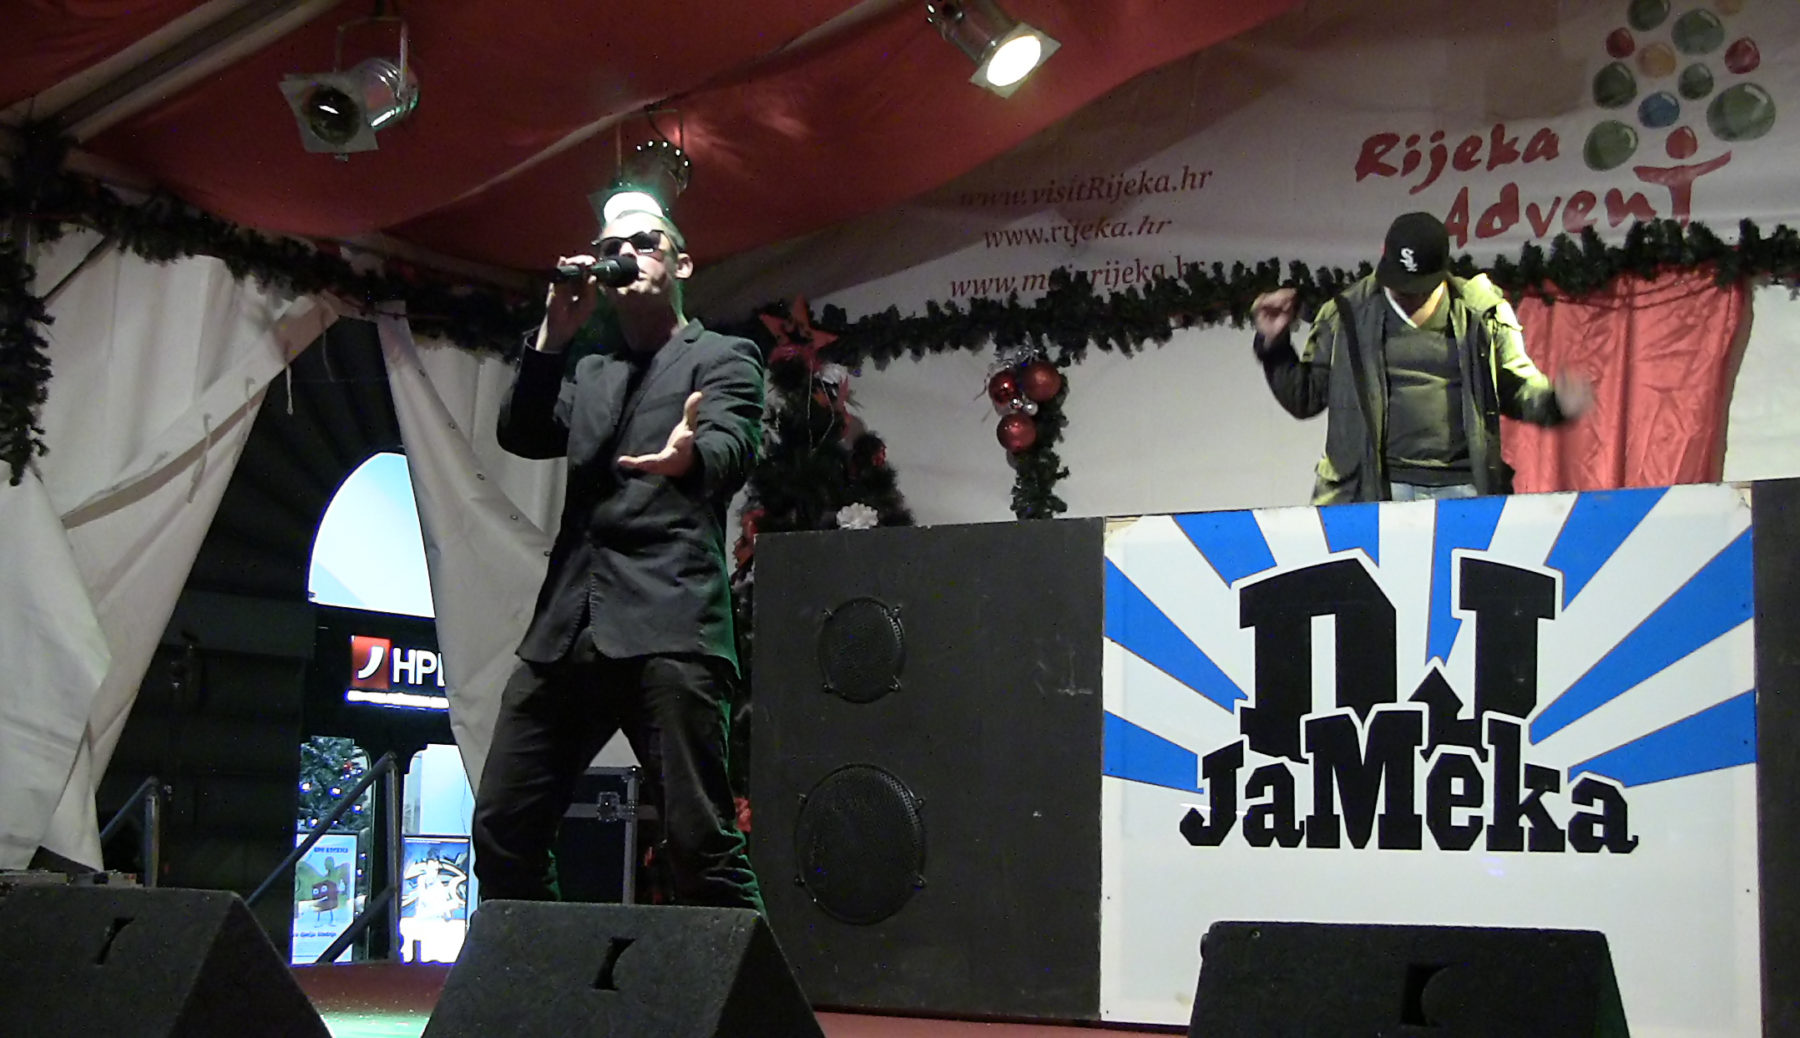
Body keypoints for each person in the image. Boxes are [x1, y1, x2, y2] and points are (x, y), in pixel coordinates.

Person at [471, 207, 765, 910]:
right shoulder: (593, 369)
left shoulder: (721, 356)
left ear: (681, 263)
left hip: (669, 625)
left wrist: (690, 456)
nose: (627, 252)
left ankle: (750, 983)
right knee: (505, 830)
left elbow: (731, 444)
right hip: (569, 626)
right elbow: (523, 431)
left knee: (700, 846)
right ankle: (539, 978)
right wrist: (554, 336)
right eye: (612, 244)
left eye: (644, 241)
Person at [1250, 211, 1594, 504]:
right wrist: (1274, 343)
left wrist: (1554, 402)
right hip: (1372, 489)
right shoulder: (1346, 313)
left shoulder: (1480, 311)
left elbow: (1515, 386)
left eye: (1417, 287)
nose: (1406, 294)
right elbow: (1305, 398)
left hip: (1462, 487)